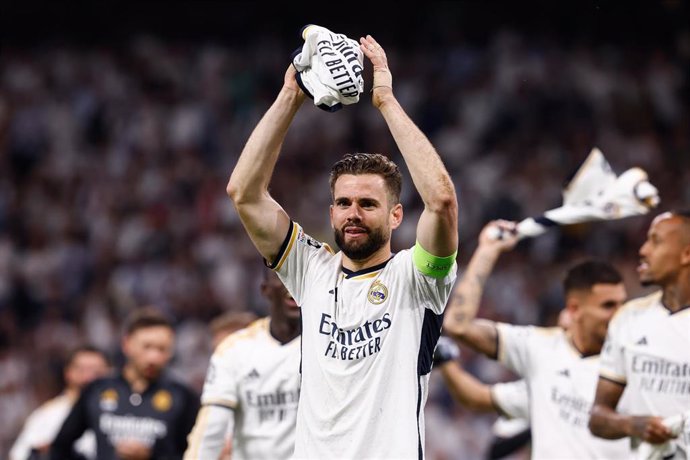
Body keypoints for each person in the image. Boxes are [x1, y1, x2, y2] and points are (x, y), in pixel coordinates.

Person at [226, 34, 459, 459]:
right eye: (344, 203)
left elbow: (442, 202)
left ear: (396, 216)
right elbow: (244, 193)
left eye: (369, 204)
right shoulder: (311, 271)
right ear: (331, 213)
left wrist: (385, 99)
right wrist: (290, 95)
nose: (354, 213)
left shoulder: (418, 278)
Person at [443, 220, 631, 459]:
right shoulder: (541, 348)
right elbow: (458, 326)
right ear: (574, 309)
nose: (619, 314)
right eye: (608, 306)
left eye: (622, 304)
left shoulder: (634, 364)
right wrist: (487, 251)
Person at [589, 210, 690, 458]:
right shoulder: (629, 319)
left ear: (686, 254)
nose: (643, 250)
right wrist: (633, 425)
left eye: (656, 241)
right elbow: (598, 417)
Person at [50, 307, 200, 460]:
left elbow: (197, 455)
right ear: (126, 344)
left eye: (162, 349)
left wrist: (153, 456)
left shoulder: (183, 397)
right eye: (147, 347)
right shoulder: (97, 390)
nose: (153, 357)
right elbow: (60, 447)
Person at [184, 269, 302, 460]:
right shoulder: (234, 349)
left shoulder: (333, 344)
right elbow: (212, 428)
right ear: (265, 289)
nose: (293, 283)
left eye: (301, 274)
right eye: (283, 276)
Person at [10, 345, 110, 460]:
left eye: (96, 371)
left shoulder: (123, 410)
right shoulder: (47, 415)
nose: (88, 377)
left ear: (110, 372)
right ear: (68, 373)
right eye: (81, 370)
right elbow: (18, 455)